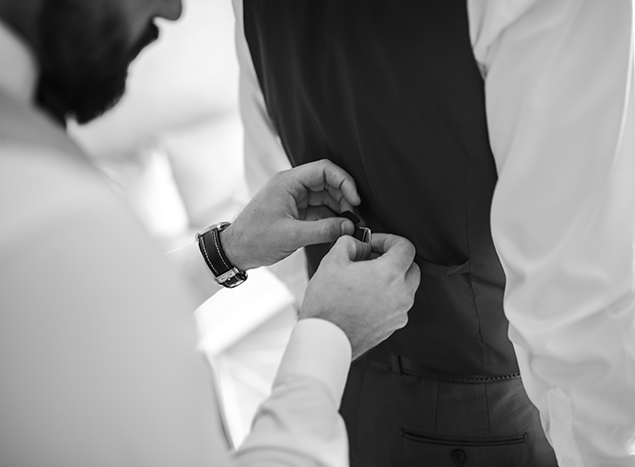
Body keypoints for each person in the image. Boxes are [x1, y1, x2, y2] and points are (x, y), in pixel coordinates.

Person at [233, 0, 635, 466]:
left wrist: (331, 344)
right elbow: (574, 292)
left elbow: (275, 198)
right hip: (488, 420)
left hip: (336, 395)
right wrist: (612, 456)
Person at [0, 1, 420, 466]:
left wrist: (226, 249)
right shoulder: (52, 221)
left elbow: (71, 327)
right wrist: (329, 337)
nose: (175, 9)